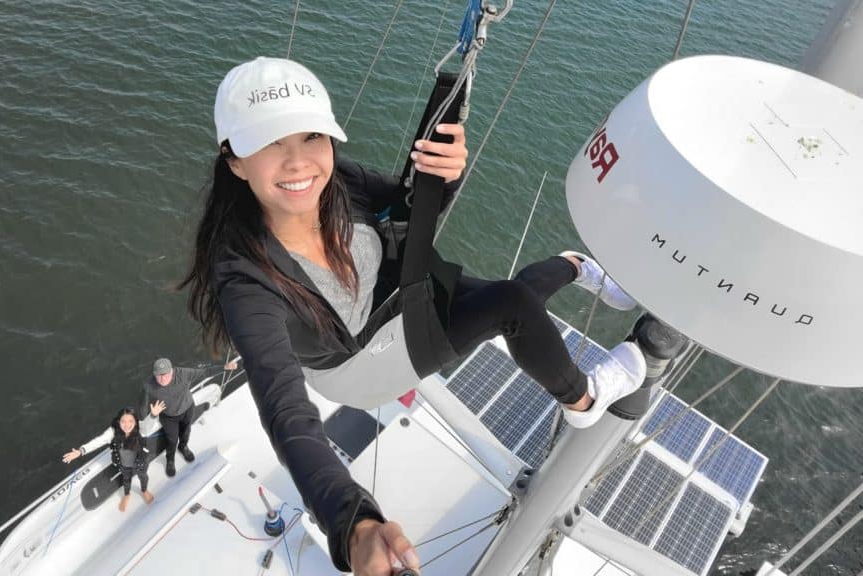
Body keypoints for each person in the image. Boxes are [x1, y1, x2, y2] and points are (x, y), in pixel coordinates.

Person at [180, 57, 646, 575]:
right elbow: (286, 413)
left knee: (509, 298)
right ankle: (584, 399)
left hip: (397, 299)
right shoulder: (246, 280)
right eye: (270, 143)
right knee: (511, 305)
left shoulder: (341, 182)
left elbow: (410, 209)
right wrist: (353, 521)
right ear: (235, 160)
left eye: (312, 136)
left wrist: (444, 177)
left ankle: (575, 265)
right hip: (362, 366)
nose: (298, 163)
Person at [62, 404, 164, 511]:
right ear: (118, 422)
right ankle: (127, 495)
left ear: (135, 421)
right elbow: (98, 441)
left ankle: (144, 490)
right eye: (123, 421)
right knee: (126, 479)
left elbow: (147, 426)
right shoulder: (113, 432)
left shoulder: (140, 428)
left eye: (130, 421)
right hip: (123, 464)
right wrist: (81, 451)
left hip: (139, 461)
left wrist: (153, 415)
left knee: (143, 476)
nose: (127, 425)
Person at [139, 358, 204, 477]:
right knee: (172, 440)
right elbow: (143, 407)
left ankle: (183, 447)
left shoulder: (183, 373)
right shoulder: (148, 385)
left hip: (187, 408)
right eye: (159, 375)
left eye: (165, 374)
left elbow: (205, 372)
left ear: (172, 372)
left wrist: (225, 368)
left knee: (186, 432)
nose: (162, 378)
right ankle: (170, 459)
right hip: (168, 417)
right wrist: (145, 421)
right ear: (154, 374)